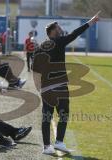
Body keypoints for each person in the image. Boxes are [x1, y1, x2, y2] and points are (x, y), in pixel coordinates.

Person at [32, 13, 100, 154]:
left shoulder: (39, 47)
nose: (61, 29)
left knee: (47, 116)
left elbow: (35, 69)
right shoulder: (58, 42)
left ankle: (47, 147)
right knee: (63, 114)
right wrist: (90, 22)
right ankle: (59, 142)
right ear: (53, 31)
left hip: (46, 88)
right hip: (59, 87)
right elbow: (75, 34)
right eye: (58, 28)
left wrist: (39, 86)